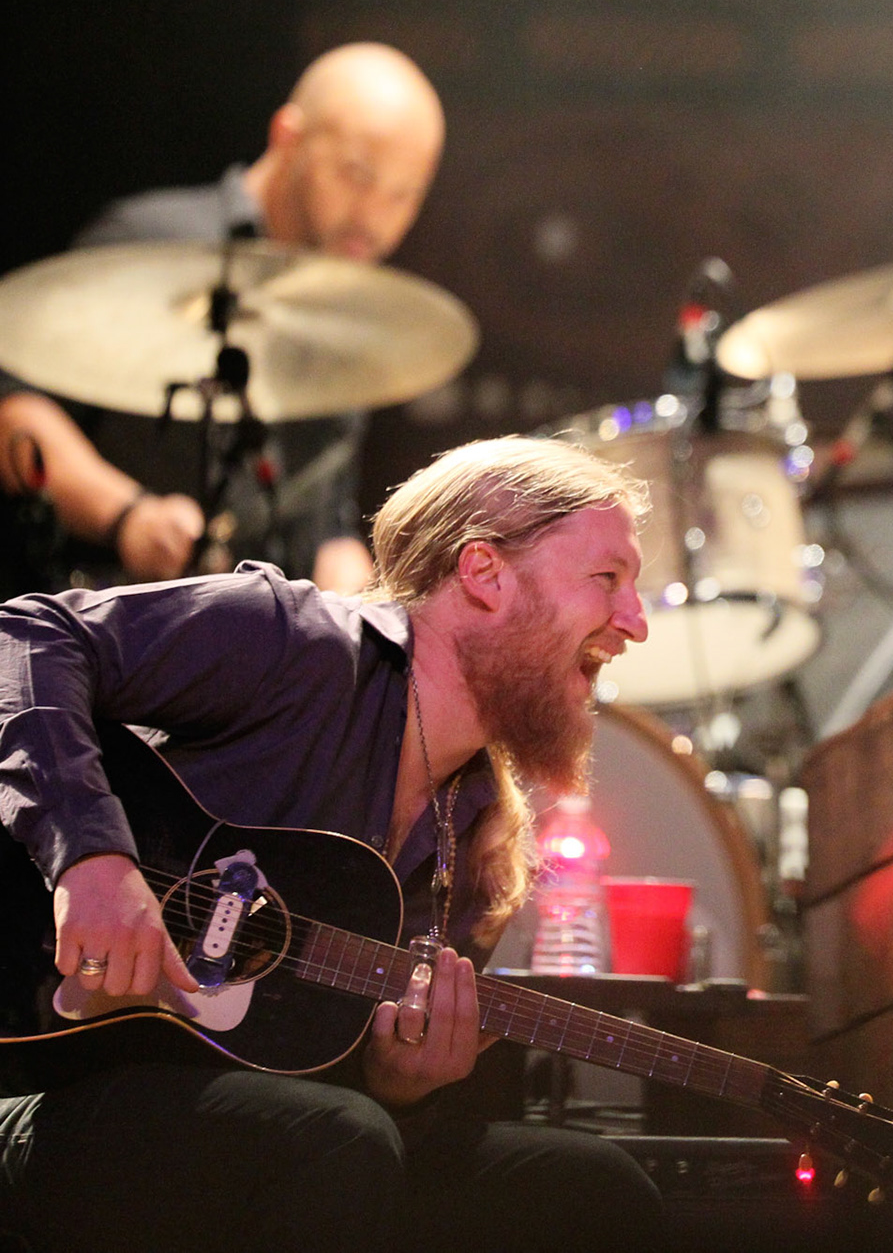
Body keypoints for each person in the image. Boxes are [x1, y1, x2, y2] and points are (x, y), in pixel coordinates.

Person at [0, 436, 662, 1252]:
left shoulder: (480, 842)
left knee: (588, 1189)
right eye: (608, 579)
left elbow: (312, 1067)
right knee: (339, 1141)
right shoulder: (295, 642)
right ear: (486, 573)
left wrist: (400, 1083)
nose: (635, 622)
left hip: (281, 1135)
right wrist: (91, 859)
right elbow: (24, 636)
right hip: (47, 1085)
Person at [28, 40, 445, 596]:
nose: (374, 218)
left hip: (261, 654)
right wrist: (128, 516)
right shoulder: (148, 244)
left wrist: (349, 571)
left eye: (403, 196)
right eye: (356, 174)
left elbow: (324, 511)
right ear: (287, 137)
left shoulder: (351, 306)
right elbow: (16, 411)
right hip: (110, 621)